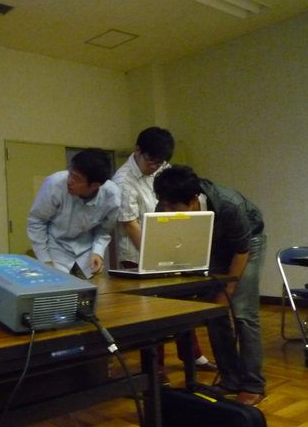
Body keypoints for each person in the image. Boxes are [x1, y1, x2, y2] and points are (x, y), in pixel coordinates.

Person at [154, 164, 266, 406]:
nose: (168, 212)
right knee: (214, 314)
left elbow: (241, 250)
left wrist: (229, 291)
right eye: (165, 205)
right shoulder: (164, 206)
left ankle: (253, 385)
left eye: (174, 207)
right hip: (213, 243)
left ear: (194, 199)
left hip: (248, 244)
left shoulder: (228, 204)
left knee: (243, 313)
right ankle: (230, 380)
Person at [111, 127, 217, 379]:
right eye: (151, 160)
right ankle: (154, 366)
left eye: (160, 162)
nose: (155, 166)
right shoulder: (123, 181)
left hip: (169, 248)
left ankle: (192, 354)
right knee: (151, 313)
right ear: (137, 151)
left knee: (181, 303)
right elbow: (130, 224)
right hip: (138, 254)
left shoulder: (162, 169)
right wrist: (154, 255)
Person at [27, 148, 120, 279]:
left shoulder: (111, 197)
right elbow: (37, 222)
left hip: (86, 253)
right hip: (55, 248)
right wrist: (45, 260)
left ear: (95, 185)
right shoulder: (55, 184)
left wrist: (98, 252)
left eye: (76, 178)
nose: (69, 181)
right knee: (59, 288)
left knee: (93, 290)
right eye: (70, 173)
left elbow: (103, 230)